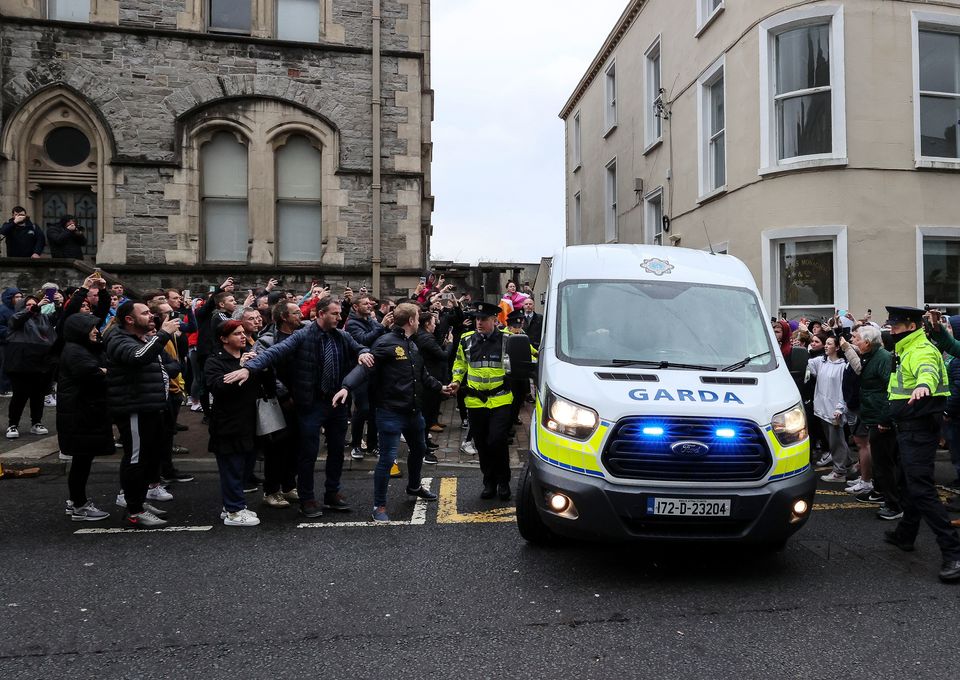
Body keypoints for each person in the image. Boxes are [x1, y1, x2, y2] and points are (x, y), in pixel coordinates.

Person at [225, 296, 374, 518]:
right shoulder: (302, 336)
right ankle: (307, 498)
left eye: (339, 314)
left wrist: (363, 353)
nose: (339, 317)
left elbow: (359, 347)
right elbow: (273, 353)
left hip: (338, 404)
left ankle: (332, 493)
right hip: (311, 405)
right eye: (334, 313)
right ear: (321, 313)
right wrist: (250, 368)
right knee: (308, 453)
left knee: (336, 452)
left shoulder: (342, 336)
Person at [335, 302, 448, 522]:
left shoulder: (412, 345)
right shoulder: (385, 343)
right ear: (412, 321)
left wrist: (441, 388)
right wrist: (346, 387)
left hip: (413, 412)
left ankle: (414, 487)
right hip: (390, 413)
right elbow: (365, 367)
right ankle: (379, 506)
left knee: (419, 449)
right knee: (387, 458)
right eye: (417, 317)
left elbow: (422, 375)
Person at [883, 306, 960, 583]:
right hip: (908, 427)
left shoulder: (921, 350)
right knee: (907, 481)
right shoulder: (905, 348)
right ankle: (906, 534)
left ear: (912, 327)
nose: (891, 329)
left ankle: (954, 552)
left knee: (921, 489)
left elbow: (927, 369)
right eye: (891, 325)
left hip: (918, 429)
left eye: (896, 326)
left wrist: (924, 384)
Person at [105, 300, 181, 528]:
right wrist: (163, 335)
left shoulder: (142, 338)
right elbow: (139, 357)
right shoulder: (118, 339)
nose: (152, 317)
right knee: (135, 458)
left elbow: (165, 364)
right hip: (134, 408)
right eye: (146, 313)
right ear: (129, 319)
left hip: (149, 406)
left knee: (148, 457)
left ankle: (138, 501)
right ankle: (134, 510)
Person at [450, 301, 514, 500]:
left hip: (501, 399)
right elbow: (460, 363)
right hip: (475, 401)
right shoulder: (466, 339)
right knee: (482, 444)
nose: (479, 322)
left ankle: (504, 482)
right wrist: (456, 381)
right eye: (477, 319)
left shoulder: (508, 339)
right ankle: (489, 482)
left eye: (483, 319)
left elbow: (530, 355)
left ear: (494, 320)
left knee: (497, 440)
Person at [205, 320, 262, 527]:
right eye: (237, 333)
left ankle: (231, 504)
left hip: (249, 421)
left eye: (243, 333)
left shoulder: (250, 357)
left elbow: (266, 385)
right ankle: (234, 511)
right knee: (232, 467)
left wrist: (257, 366)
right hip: (227, 423)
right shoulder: (215, 361)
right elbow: (217, 388)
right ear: (223, 339)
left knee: (245, 468)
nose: (242, 336)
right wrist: (240, 369)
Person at [57, 314, 112, 521]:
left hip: (83, 412)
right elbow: (93, 374)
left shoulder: (80, 349)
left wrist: (103, 369)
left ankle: (76, 501)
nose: (96, 331)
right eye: (91, 328)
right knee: (82, 461)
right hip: (81, 414)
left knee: (83, 460)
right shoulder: (75, 352)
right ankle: (79, 505)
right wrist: (104, 371)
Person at [848, 324, 902, 519]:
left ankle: (894, 505)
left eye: (858, 340)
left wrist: (885, 419)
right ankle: (880, 492)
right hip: (873, 415)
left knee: (884, 462)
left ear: (868, 343)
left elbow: (892, 389)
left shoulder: (883, 358)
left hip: (881, 418)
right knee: (880, 461)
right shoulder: (871, 356)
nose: (856, 343)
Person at [253, 301, 303, 507]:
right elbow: (266, 371)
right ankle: (271, 490)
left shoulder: (303, 335)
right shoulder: (266, 340)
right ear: (284, 317)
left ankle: (289, 486)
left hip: (300, 398)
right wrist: (284, 395)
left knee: (296, 445)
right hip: (277, 401)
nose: (301, 315)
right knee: (277, 447)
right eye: (296, 312)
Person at [344, 294, 391, 461]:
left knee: (374, 410)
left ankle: (372, 444)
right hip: (359, 371)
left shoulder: (369, 320)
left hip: (374, 370)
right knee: (362, 408)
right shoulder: (352, 324)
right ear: (356, 306)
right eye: (365, 303)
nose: (369, 305)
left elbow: (379, 337)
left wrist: (386, 327)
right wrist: (381, 326)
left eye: (369, 303)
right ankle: (356, 444)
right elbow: (364, 340)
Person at [4, 295, 55, 439]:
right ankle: (13, 424)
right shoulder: (16, 318)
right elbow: (17, 319)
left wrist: (57, 304)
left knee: (38, 396)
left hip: (40, 362)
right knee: (19, 396)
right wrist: (33, 308)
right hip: (20, 363)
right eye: (28, 304)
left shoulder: (44, 319)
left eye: (34, 304)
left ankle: (36, 422)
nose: (31, 306)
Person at [807, 335, 851, 482]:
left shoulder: (843, 366)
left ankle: (839, 472)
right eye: (825, 344)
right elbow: (809, 361)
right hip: (821, 410)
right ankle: (847, 463)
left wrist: (840, 408)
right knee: (833, 441)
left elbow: (843, 389)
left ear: (837, 347)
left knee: (837, 441)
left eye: (829, 344)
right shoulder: (821, 362)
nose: (825, 346)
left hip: (834, 411)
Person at [414, 310, 449, 463]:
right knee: (426, 415)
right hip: (428, 381)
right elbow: (443, 355)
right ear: (428, 324)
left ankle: (425, 443)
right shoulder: (426, 338)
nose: (436, 326)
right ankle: (422, 449)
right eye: (434, 323)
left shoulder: (425, 336)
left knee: (428, 416)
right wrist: (451, 344)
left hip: (431, 379)